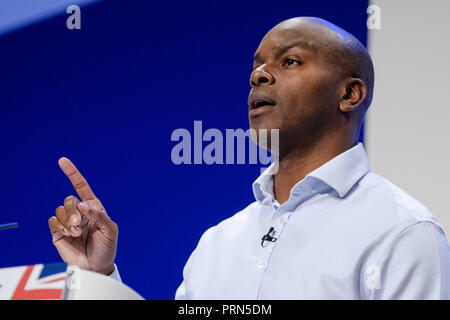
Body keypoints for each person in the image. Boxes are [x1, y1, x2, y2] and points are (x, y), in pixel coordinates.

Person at [48, 17, 450, 299]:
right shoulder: (217, 242)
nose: (259, 75)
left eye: (289, 61)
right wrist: (96, 280)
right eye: (257, 66)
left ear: (350, 94)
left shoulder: (402, 233)